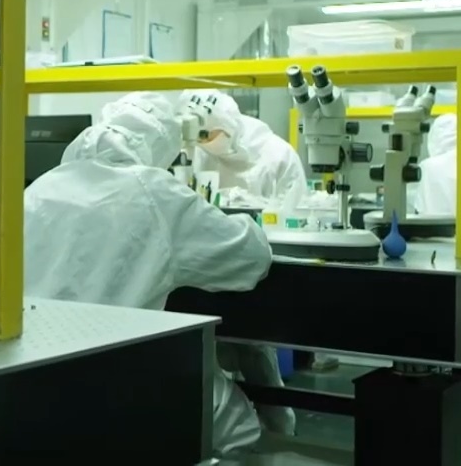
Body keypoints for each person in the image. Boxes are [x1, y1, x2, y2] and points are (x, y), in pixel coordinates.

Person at [23, 91, 289, 458]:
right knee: (239, 428)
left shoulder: (40, 187)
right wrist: (247, 221)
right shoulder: (153, 191)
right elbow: (251, 258)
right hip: (119, 384)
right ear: (159, 144)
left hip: (31, 380)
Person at [181, 89, 307, 201]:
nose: (201, 143)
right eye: (197, 138)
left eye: (204, 136)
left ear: (228, 128)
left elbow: (296, 209)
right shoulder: (198, 152)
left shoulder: (279, 155)